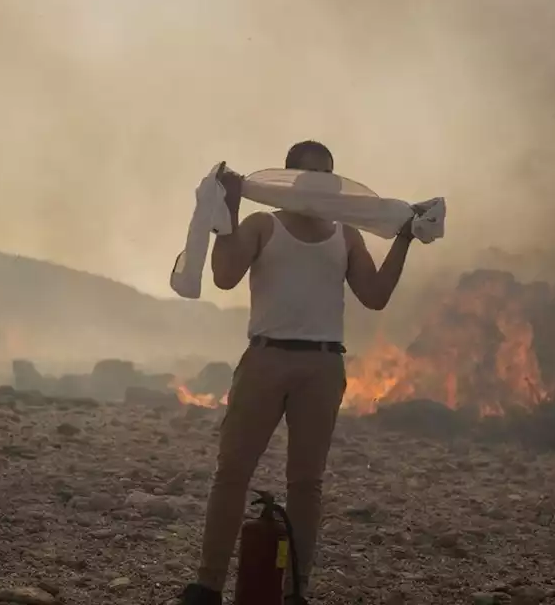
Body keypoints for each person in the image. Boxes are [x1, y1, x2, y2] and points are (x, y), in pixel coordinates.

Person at [176, 140, 422, 605]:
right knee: (232, 473)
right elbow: (225, 276)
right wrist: (226, 213)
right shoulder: (261, 226)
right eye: (311, 176)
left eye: (327, 176)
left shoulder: (345, 236)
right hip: (266, 358)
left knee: (306, 483)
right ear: (293, 180)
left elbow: (375, 295)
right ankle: (208, 586)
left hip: (323, 365)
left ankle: (296, 591)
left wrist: (405, 238)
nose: (320, 184)